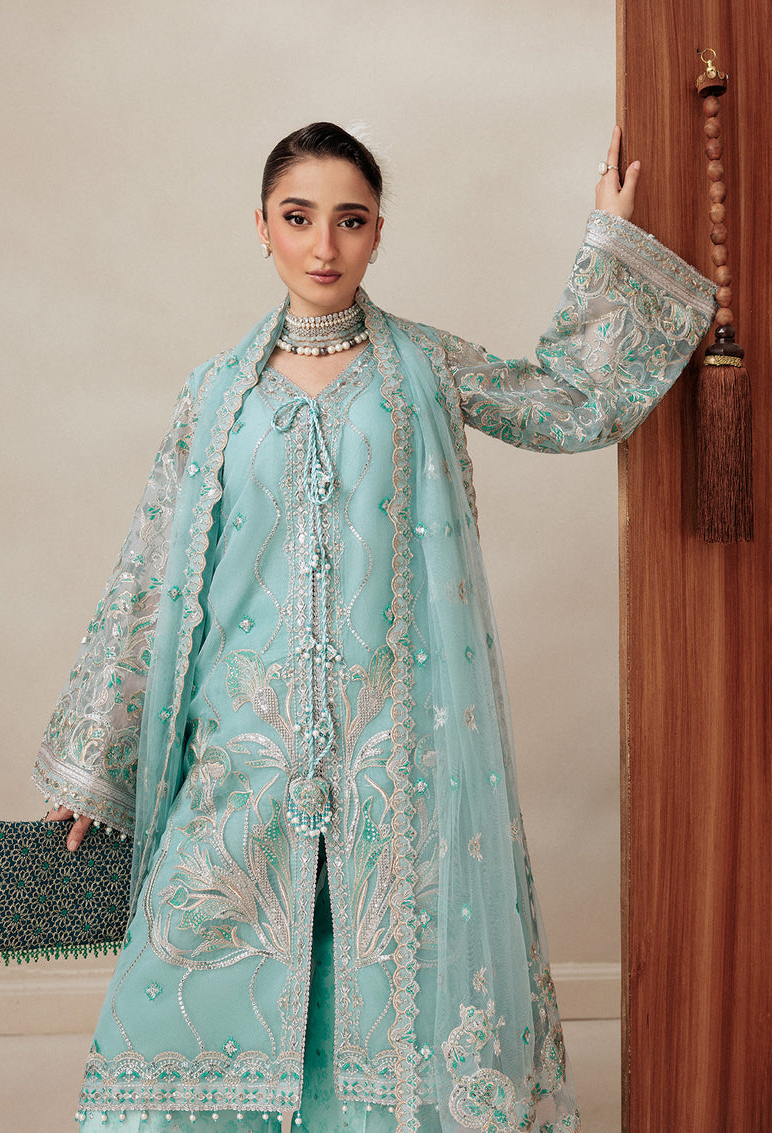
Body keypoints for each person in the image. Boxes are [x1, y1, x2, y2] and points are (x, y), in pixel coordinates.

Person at [36, 122, 715, 1133]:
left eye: (348, 221)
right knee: (204, 956)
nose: (323, 246)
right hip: (243, 738)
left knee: (385, 961)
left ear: (378, 233)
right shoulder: (215, 396)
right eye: (298, 217)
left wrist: (607, 243)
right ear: (260, 227)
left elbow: (565, 403)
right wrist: (95, 761)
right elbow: (150, 572)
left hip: (396, 740)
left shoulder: (423, 368)